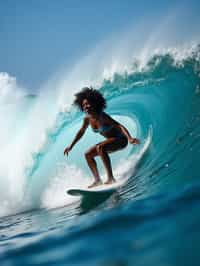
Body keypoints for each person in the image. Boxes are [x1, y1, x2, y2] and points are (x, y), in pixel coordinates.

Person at [64, 87, 140, 188]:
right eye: (83, 105)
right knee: (88, 154)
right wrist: (71, 146)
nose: (85, 107)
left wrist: (130, 138)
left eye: (87, 104)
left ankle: (110, 178)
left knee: (100, 147)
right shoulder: (87, 119)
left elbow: (119, 126)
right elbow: (81, 132)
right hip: (110, 141)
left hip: (121, 140)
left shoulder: (102, 116)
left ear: (94, 103)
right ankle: (97, 180)